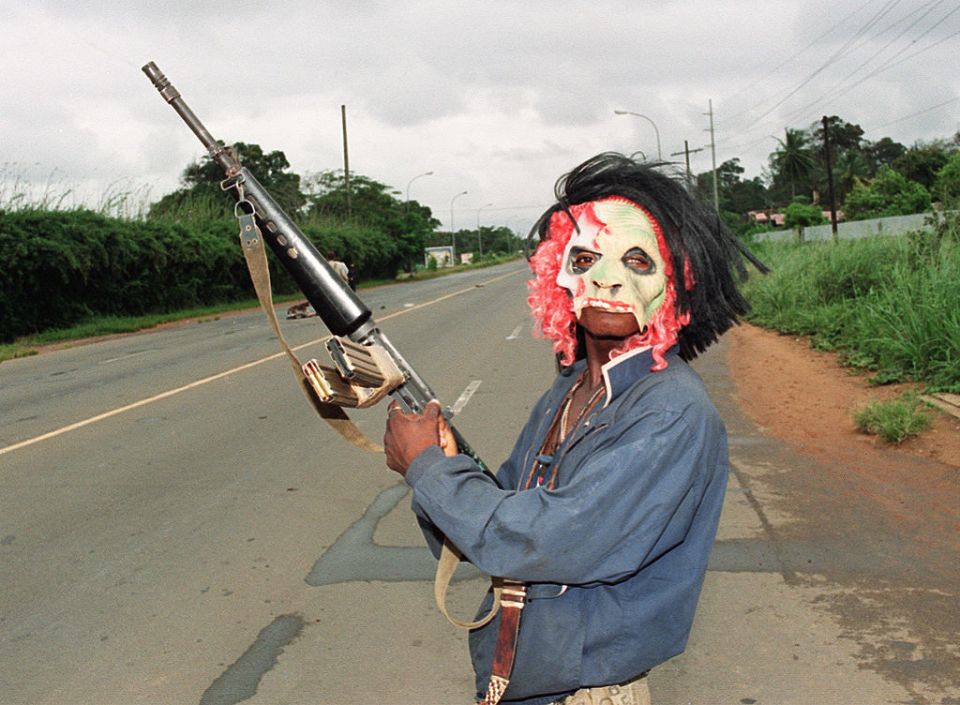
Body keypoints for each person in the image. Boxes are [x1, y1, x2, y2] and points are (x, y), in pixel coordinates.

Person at [383, 153, 765, 705]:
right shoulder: (569, 390)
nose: (608, 277)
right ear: (555, 276)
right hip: (526, 678)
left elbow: (550, 539)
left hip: (585, 692)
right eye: (586, 257)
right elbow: (501, 513)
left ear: (676, 283)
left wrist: (427, 470)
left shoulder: (669, 410)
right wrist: (446, 466)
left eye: (637, 260)